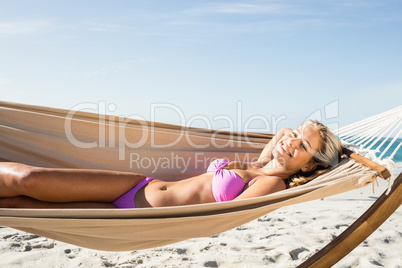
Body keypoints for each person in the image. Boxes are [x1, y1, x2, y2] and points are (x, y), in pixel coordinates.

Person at [0, 120, 342, 209]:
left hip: (135, 214)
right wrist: (295, 137)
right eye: (295, 133)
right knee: (28, 179)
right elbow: (281, 135)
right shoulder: (259, 166)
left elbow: (227, 214)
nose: (290, 140)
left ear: (310, 166)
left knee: (18, 203)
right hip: (135, 187)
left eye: (303, 146)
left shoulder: (271, 184)